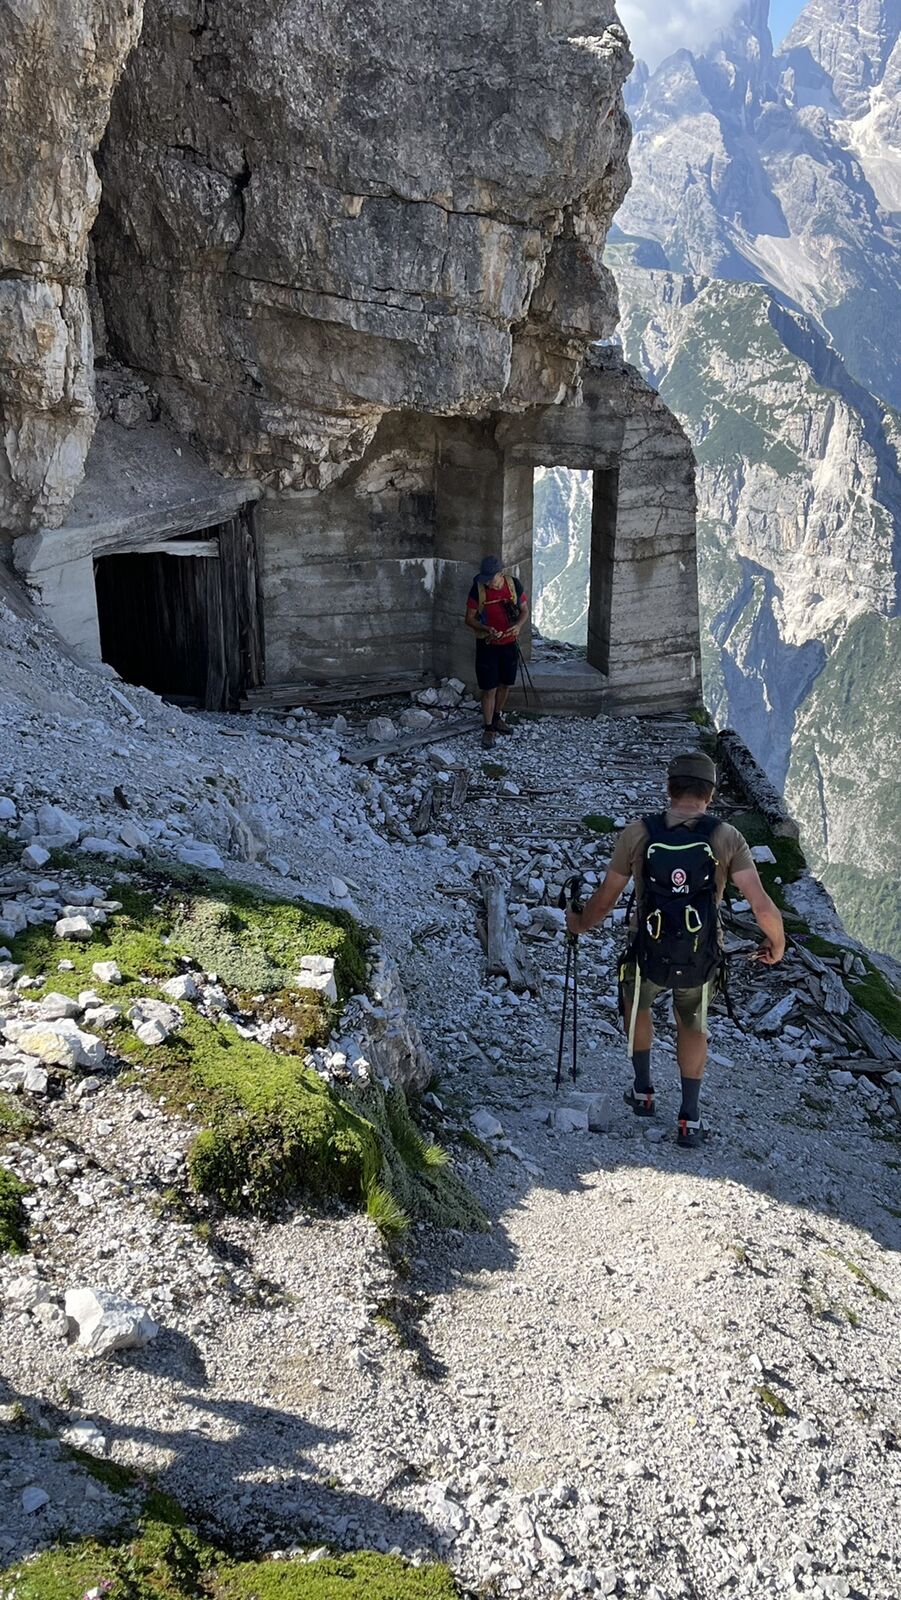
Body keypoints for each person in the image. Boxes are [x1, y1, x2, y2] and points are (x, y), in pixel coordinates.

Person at [565, 752, 785, 1148]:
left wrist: (578, 923)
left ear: (669, 788)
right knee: (692, 1024)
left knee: (636, 1005)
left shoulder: (638, 833)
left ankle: (643, 1090)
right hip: (701, 954)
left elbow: (606, 898)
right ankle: (689, 1117)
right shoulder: (727, 837)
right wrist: (777, 943)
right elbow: (761, 905)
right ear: (710, 793)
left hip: (646, 948)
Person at [465, 555, 529, 750]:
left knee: (505, 683)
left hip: (509, 644)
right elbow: (469, 619)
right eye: (485, 578)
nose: (487, 583)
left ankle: (497, 717)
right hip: (488, 644)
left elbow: (524, 610)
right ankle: (488, 727)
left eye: (490, 578)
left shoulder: (514, 585)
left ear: (500, 574)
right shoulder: (478, 589)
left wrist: (518, 626)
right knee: (489, 687)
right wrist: (486, 629)